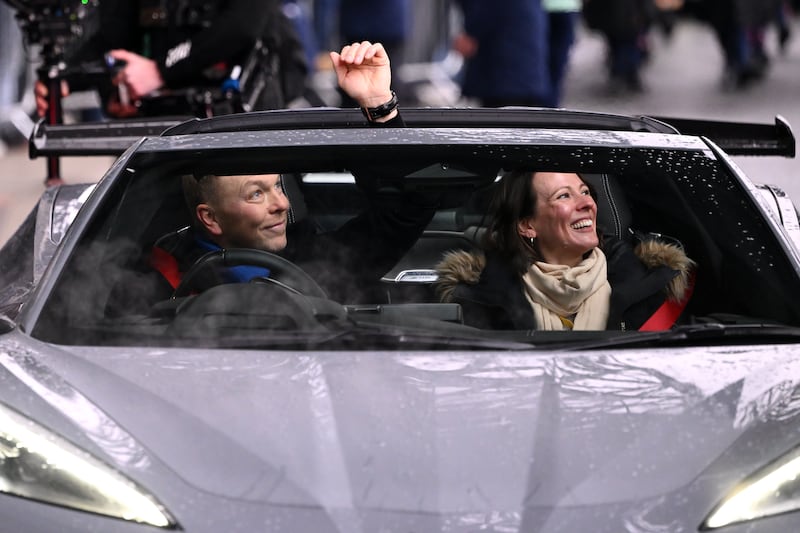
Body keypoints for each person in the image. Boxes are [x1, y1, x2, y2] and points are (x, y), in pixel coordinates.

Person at [123, 41, 438, 309]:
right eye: (256, 193)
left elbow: (406, 211)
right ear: (210, 218)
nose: (282, 204)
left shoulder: (317, 263)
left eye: (277, 186)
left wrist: (379, 107)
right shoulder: (158, 284)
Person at [434, 170, 695, 331]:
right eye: (564, 196)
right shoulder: (479, 298)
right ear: (528, 225)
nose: (587, 203)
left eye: (584, 191)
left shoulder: (652, 287)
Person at [34, 0, 308, 121]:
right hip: (161, 120)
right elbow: (113, 35)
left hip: (243, 112)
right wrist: (66, 78)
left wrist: (158, 71)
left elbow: (242, 26)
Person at [451, 0, 552, 108]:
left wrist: (470, 34)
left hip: (503, 80)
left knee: (502, 118)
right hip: (526, 78)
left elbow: (470, 39)